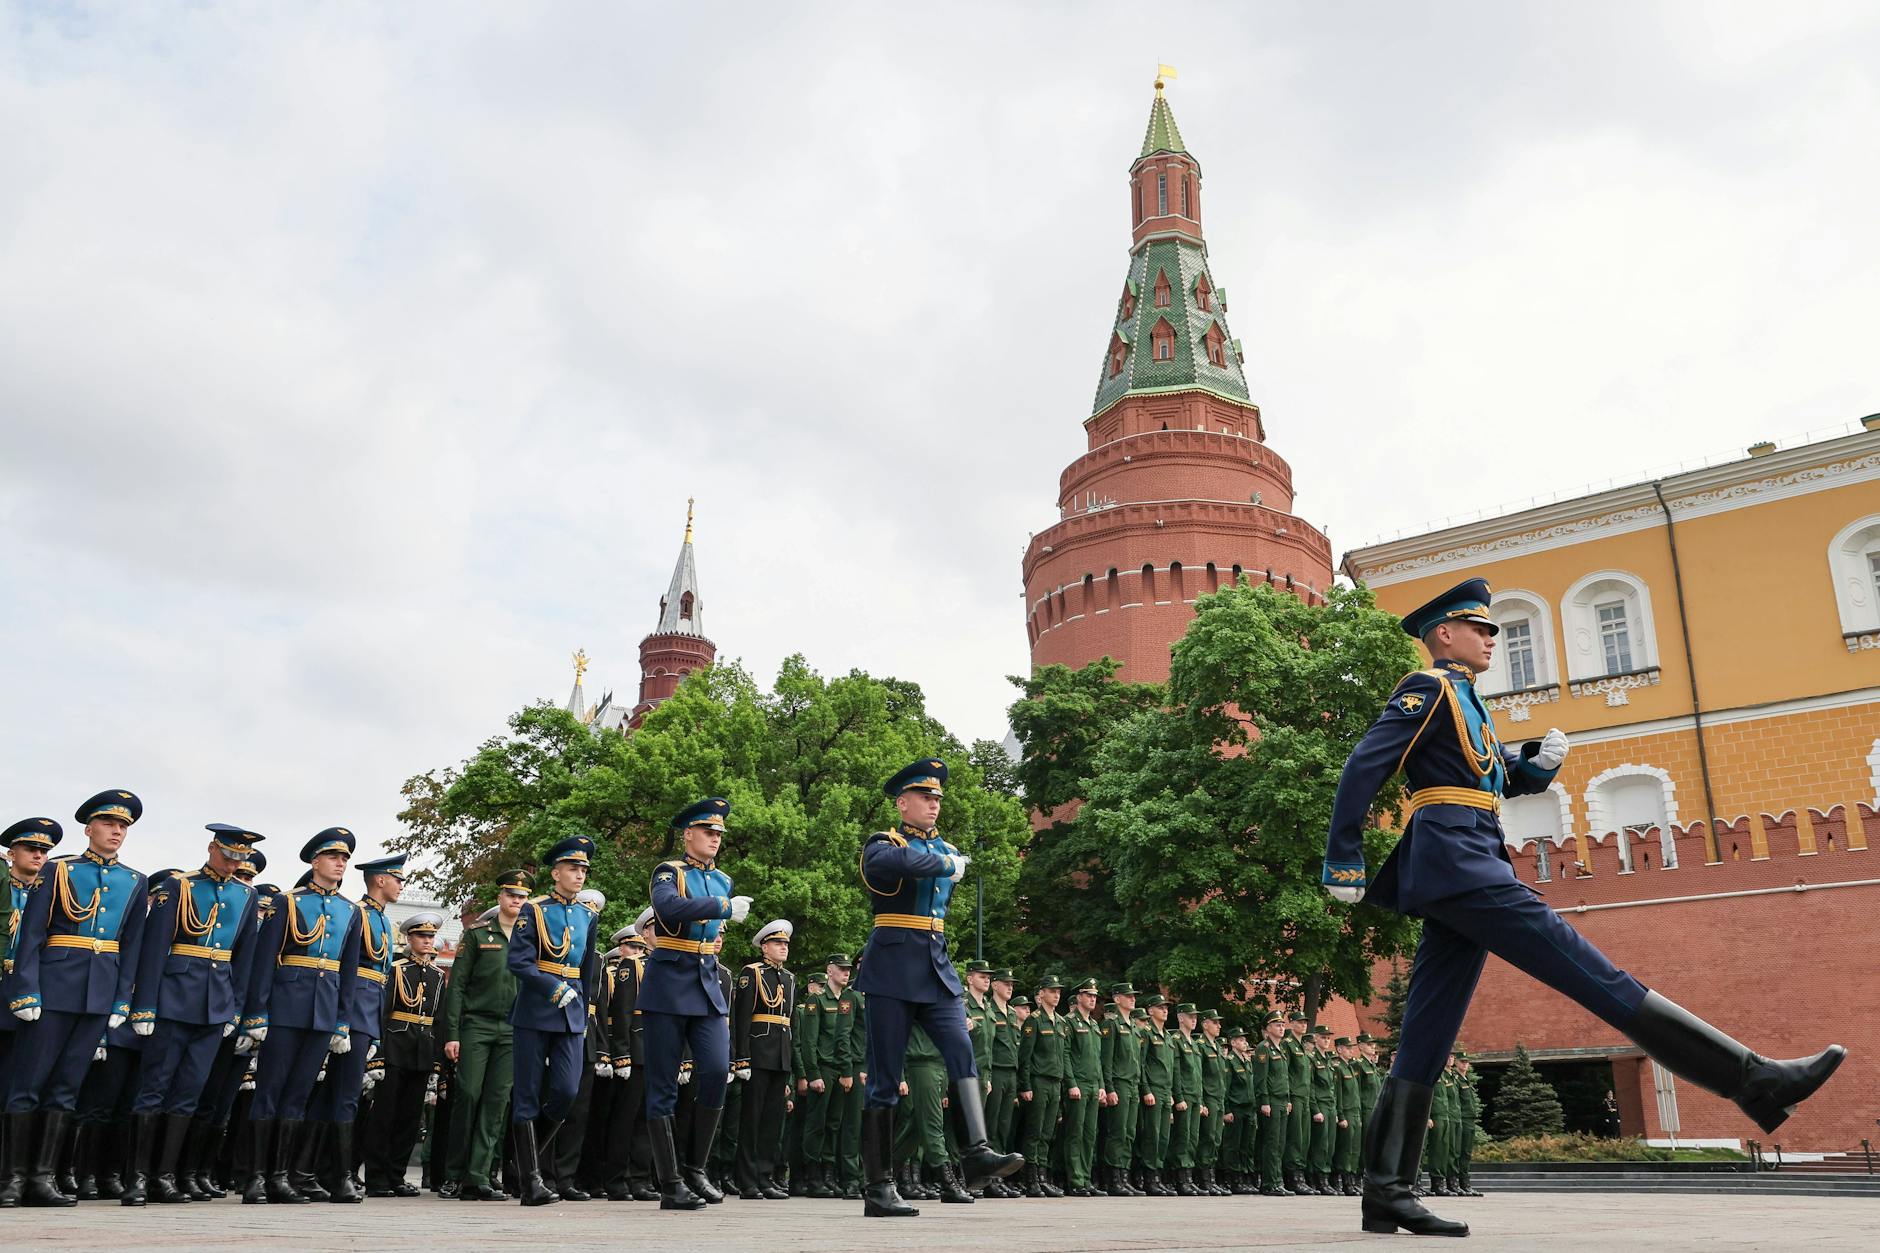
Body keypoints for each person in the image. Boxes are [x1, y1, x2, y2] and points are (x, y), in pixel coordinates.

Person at [1321, 577, 1847, 1237]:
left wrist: (1534, 767)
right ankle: (1751, 1078)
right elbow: (1365, 764)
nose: (1491, 637)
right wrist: (1343, 856)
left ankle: (1386, 1192)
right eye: (1479, 628)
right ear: (1444, 634)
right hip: (1459, 865)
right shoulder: (1426, 688)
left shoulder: (1468, 701)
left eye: (1492, 629)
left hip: (1468, 861)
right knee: (1593, 973)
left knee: (1427, 1032)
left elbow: (1490, 775)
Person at [853, 759, 1021, 1218]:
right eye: (925, 798)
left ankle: (977, 1153)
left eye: (937, 799)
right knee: (885, 1079)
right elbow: (898, 863)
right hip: (892, 967)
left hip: (935, 966)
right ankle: (879, 1187)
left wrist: (946, 857)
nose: (933, 805)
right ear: (902, 803)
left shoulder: (945, 848)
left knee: (962, 1052)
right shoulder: (883, 844)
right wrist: (946, 862)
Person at [2, 791, 148, 1209]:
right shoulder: (60, 870)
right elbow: (32, 933)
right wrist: (26, 989)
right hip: (53, 989)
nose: (116, 831)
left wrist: (121, 1001)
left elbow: (131, 947)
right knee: (28, 1084)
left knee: (66, 1088)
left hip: (98, 996)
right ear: (89, 829)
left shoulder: (134, 881)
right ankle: (12, 1178)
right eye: (108, 824)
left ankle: (42, 1177)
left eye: (123, 826)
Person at [125, 823, 265, 1204]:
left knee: (188, 1093)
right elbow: (154, 949)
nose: (234, 865)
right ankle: (138, 1176)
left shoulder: (246, 895)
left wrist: (235, 1010)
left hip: (215, 1006)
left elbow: (244, 960)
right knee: (154, 1089)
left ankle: (165, 1175)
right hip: (173, 1000)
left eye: (240, 859)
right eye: (229, 855)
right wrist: (146, 1006)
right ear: (212, 848)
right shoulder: (179, 886)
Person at [240, 828, 364, 1205]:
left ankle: (280, 1176)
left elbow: (349, 970)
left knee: (298, 1095)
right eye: (333, 857)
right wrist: (257, 1013)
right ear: (315, 861)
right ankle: (256, 1177)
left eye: (344, 859)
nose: (340, 863)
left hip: (323, 1012)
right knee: (269, 1092)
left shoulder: (350, 910)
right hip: (285, 1006)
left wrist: (342, 1021)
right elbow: (264, 961)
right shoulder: (288, 902)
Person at [641, 798, 749, 1211]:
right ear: (688, 834)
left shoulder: (722, 879)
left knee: (718, 1070)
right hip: (669, 982)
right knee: (663, 1085)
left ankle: (696, 1168)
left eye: (719, 833)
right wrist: (722, 907)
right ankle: (670, 1183)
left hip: (705, 983)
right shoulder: (669, 872)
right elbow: (668, 908)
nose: (715, 839)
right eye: (708, 831)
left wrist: (723, 903)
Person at [506, 836, 601, 1206]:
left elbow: (587, 968)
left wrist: (585, 1008)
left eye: (583, 870)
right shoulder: (534, 910)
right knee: (527, 1095)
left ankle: (522, 1163)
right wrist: (551, 987)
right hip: (536, 1009)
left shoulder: (588, 915)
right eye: (573, 868)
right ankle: (531, 1181)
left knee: (566, 1091)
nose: (579, 875)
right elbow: (518, 961)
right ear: (555, 873)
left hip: (571, 1012)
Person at [441, 872, 526, 1201]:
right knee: (468, 1094)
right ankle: (454, 1173)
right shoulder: (478, 934)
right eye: (511, 894)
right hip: (477, 1024)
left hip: (513, 1028)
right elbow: (457, 987)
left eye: (522, 896)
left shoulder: (531, 937)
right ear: (500, 897)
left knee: (497, 1101)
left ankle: (480, 1175)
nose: (516, 900)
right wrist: (452, 1033)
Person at [0, 817, 61, 1208]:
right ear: (11, 853)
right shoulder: (4, 889)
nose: (38, 856)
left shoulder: (49, 894)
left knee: (15, 1086)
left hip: (27, 1001)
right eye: (30, 849)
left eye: (44, 851)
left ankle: (12, 1173)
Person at [362, 911, 444, 1196]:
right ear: (409, 938)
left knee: (409, 1118)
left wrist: (436, 1063)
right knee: (384, 1115)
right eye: (421, 936)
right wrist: (378, 1053)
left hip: (422, 1051)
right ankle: (376, 1177)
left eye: (430, 936)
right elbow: (383, 1013)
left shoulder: (438, 976)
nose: (427, 941)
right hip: (395, 1048)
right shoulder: (396, 970)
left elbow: (439, 1020)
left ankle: (396, 1176)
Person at [732, 918, 795, 1200]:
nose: (783, 947)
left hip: (780, 1055)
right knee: (752, 1120)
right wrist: (741, 1058)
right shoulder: (752, 973)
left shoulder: (789, 978)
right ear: (764, 947)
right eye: (778, 943)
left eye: (785, 944)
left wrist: (790, 1063)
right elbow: (742, 1018)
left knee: (772, 1122)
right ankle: (747, 1181)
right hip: (757, 1054)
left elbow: (790, 1022)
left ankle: (765, 1177)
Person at [1016, 973, 1066, 1198]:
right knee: (1034, 1131)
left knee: (1048, 1133)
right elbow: (1025, 1057)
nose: (1056, 995)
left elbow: (1062, 1055)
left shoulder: (1060, 1022)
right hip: (1038, 1081)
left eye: (1058, 991)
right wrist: (1025, 1085)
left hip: (1055, 1081)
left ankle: (1043, 1178)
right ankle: (1031, 1179)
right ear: (1042, 993)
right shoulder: (1034, 1020)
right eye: (1052, 991)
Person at [1060, 977, 1106, 1197]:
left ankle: (1086, 1178)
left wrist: (1101, 1085)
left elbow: (1097, 1059)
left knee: (1090, 1134)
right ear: (1079, 997)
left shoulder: (1094, 1025)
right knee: (1075, 1133)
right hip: (1078, 1084)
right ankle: (1075, 1180)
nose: (1092, 999)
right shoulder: (1069, 1022)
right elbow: (1065, 1054)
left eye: (1095, 996)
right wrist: (1071, 1083)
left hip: (1093, 1084)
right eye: (1088, 995)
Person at [1098, 982, 1143, 1196]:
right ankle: (1113, 1178)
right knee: (1118, 1131)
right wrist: (1109, 1087)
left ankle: (1124, 1176)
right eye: (1128, 995)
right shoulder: (1112, 1024)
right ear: (1117, 999)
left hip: (1132, 1084)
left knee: (1129, 1133)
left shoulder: (1133, 1026)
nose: (1133, 999)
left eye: (1133, 996)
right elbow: (1106, 1059)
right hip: (1119, 1083)